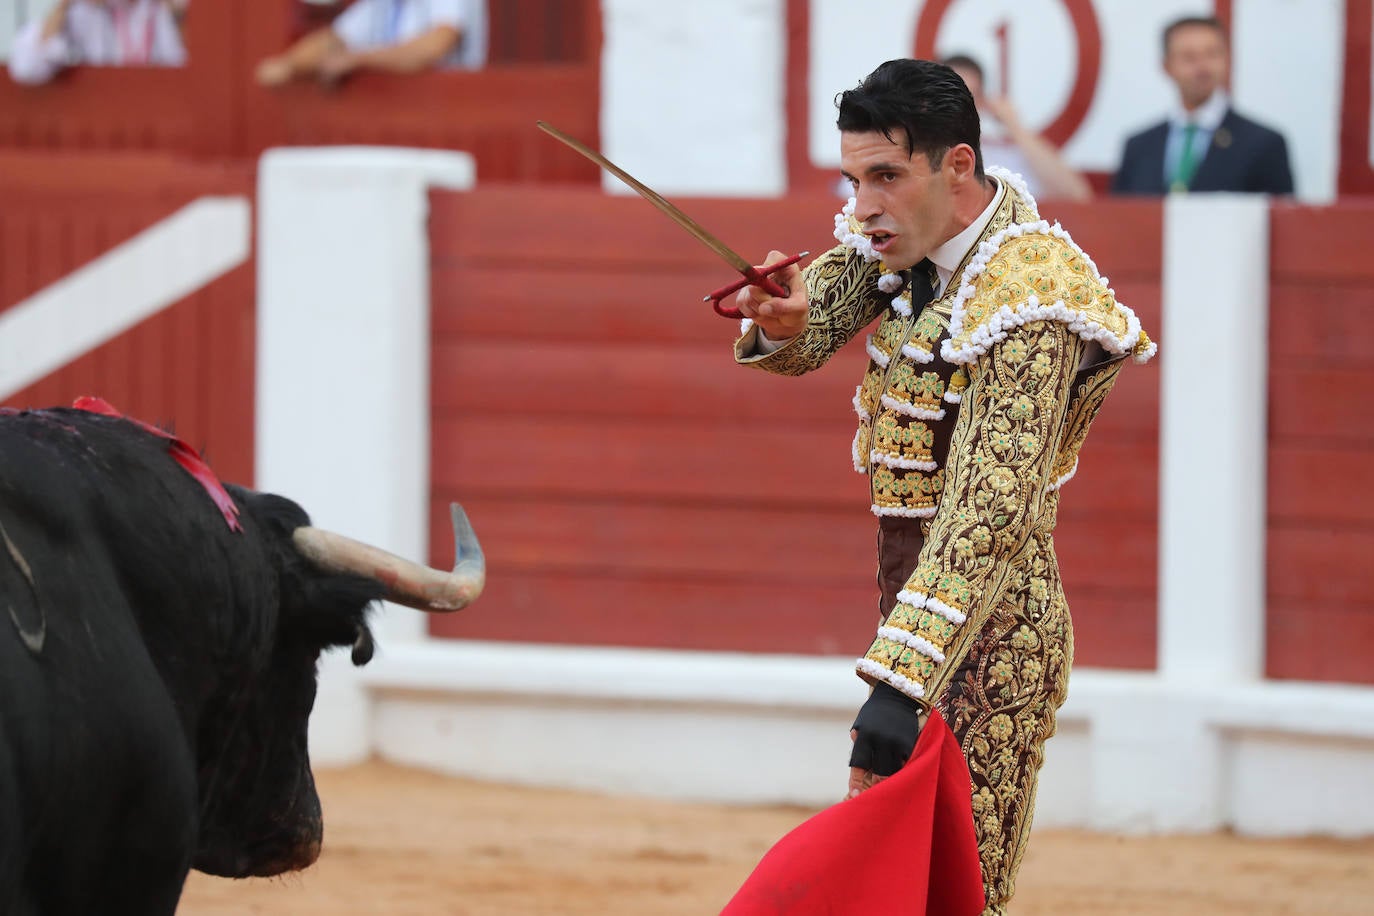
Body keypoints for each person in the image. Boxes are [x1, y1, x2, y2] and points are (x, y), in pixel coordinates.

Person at [731, 58, 1155, 914]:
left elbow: (988, 513)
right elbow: (816, 328)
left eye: (885, 176)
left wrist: (898, 686)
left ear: (957, 165)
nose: (862, 205)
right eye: (853, 179)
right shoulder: (896, 237)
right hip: (914, 625)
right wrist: (784, 318)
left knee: (958, 894)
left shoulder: (1030, 296)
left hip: (993, 645)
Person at [1112, 15, 1293, 194]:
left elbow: (1281, 217)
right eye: (1189, 57)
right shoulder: (1139, 146)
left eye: (1212, 54)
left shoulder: (1263, 144)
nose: (1203, 67)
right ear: (1166, 66)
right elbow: (1121, 217)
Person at [943, 53, 1092, 202]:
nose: (959, 108)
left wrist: (1015, 127)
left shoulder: (1003, 154)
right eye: (950, 96)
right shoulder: (921, 152)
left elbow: (1077, 195)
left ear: (982, 103)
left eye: (969, 97)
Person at [255, 0, 487, 89]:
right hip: (404, 127)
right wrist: (290, 64)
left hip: (445, 122)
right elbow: (332, 39)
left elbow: (435, 46)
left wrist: (359, 59)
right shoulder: (382, 5)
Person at [7, 0, 187, 87]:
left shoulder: (171, 8)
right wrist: (65, 5)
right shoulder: (84, 13)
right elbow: (27, 68)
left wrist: (176, 14)